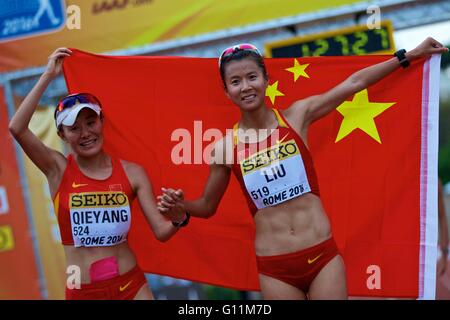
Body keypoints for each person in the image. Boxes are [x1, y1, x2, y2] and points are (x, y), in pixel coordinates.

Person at [157, 38, 449, 300]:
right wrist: (182, 208)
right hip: (275, 266)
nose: (245, 87)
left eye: (251, 77)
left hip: (321, 254)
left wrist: (408, 56)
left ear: (266, 79)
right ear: (226, 90)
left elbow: (354, 83)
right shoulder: (224, 148)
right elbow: (207, 206)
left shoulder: (296, 116)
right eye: (235, 81)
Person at [8, 48, 187, 300]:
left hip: (131, 285)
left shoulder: (132, 172)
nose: (85, 133)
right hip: (83, 291)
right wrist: (48, 74)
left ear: (102, 122)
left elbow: (161, 231)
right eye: (74, 128)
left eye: (91, 122)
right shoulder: (57, 168)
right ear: (62, 135)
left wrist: (179, 219)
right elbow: (16, 127)